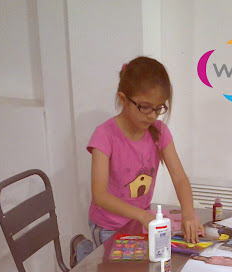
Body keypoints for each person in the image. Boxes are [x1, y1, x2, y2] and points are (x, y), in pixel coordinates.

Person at [87, 56, 203, 247]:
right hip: (109, 226)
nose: (152, 115)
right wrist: (142, 215)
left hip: (138, 222)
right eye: (145, 107)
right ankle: (83, 250)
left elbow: (179, 177)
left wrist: (188, 214)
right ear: (124, 100)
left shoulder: (159, 132)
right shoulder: (104, 135)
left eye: (158, 108)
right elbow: (100, 196)